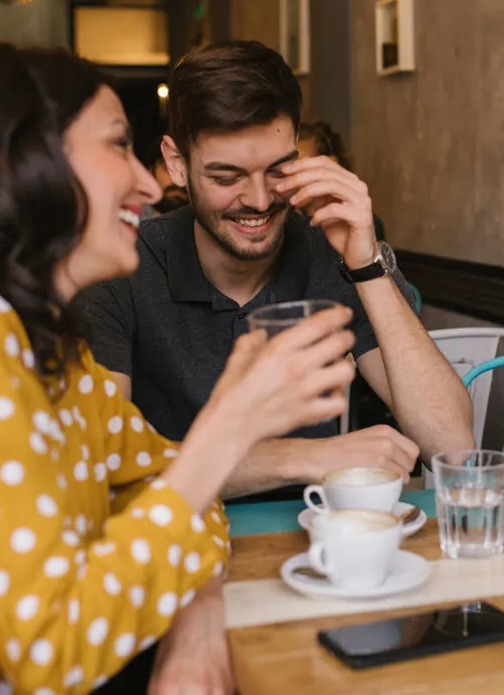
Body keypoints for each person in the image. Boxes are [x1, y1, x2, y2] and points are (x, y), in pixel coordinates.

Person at [0, 45, 357, 694]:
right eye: (117, 145)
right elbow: (53, 651)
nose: (150, 186)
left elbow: (172, 489)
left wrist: (197, 625)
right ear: (23, 165)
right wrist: (228, 427)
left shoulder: (53, 349)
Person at [81, 41, 474, 500]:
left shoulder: (332, 254)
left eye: (278, 170)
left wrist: (367, 264)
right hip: (174, 538)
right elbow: (100, 468)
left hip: (320, 536)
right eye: (226, 177)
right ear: (176, 164)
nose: (259, 200)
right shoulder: (122, 268)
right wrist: (299, 459)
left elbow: (454, 449)